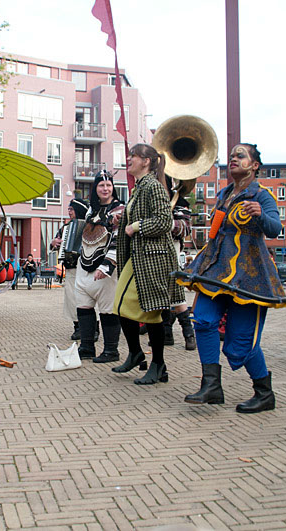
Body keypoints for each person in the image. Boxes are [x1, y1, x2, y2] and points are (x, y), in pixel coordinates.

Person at [183, 143, 286, 414]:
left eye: (240, 156)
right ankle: (211, 387)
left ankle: (264, 393)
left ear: (254, 166)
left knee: (238, 347)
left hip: (249, 277)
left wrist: (261, 215)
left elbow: (275, 229)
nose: (233, 159)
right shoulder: (224, 194)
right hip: (216, 270)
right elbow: (215, 233)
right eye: (231, 156)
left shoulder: (262, 195)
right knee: (203, 321)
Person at [112, 144, 185, 384]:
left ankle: (157, 364)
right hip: (140, 256)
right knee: (122, 305)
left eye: (133, 155)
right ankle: (136, 353)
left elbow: (165, 222)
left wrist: (136, 226)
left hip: (153, 258)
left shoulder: (153, 186)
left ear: (146, 161)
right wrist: (125, 219)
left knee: (151, 311)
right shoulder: (139, 188)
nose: (128, 158)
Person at [74, 171, 125, 363]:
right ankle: (87, 347)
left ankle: (111, 350)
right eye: (101, 185)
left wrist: (108, 265)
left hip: (105, 269)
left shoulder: (120, 210)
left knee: (108, 309)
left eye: (108, 185)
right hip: (84, 265)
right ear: (95, 188)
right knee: (83, 306)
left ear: (113, 188)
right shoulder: (90, 210)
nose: (105, 188)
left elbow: (119, 239)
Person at [161, 176, 197, 351]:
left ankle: (188, 333)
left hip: (171, 248)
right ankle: (166, 333)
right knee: (159, 293)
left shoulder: (179, 201)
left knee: (175, 292)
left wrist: (164, 222)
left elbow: (185, 228)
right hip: (152, 249)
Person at [50, 198, 89, 340]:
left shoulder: (90, 225)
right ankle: (77, 327)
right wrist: (54, 243)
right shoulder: (65, 228)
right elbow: (55, 243)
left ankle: (93, 328)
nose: (69, 212)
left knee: (88, 298)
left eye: (71, 209)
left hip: (86, 267)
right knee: (72, 298)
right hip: (71, 268)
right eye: (68, 209)